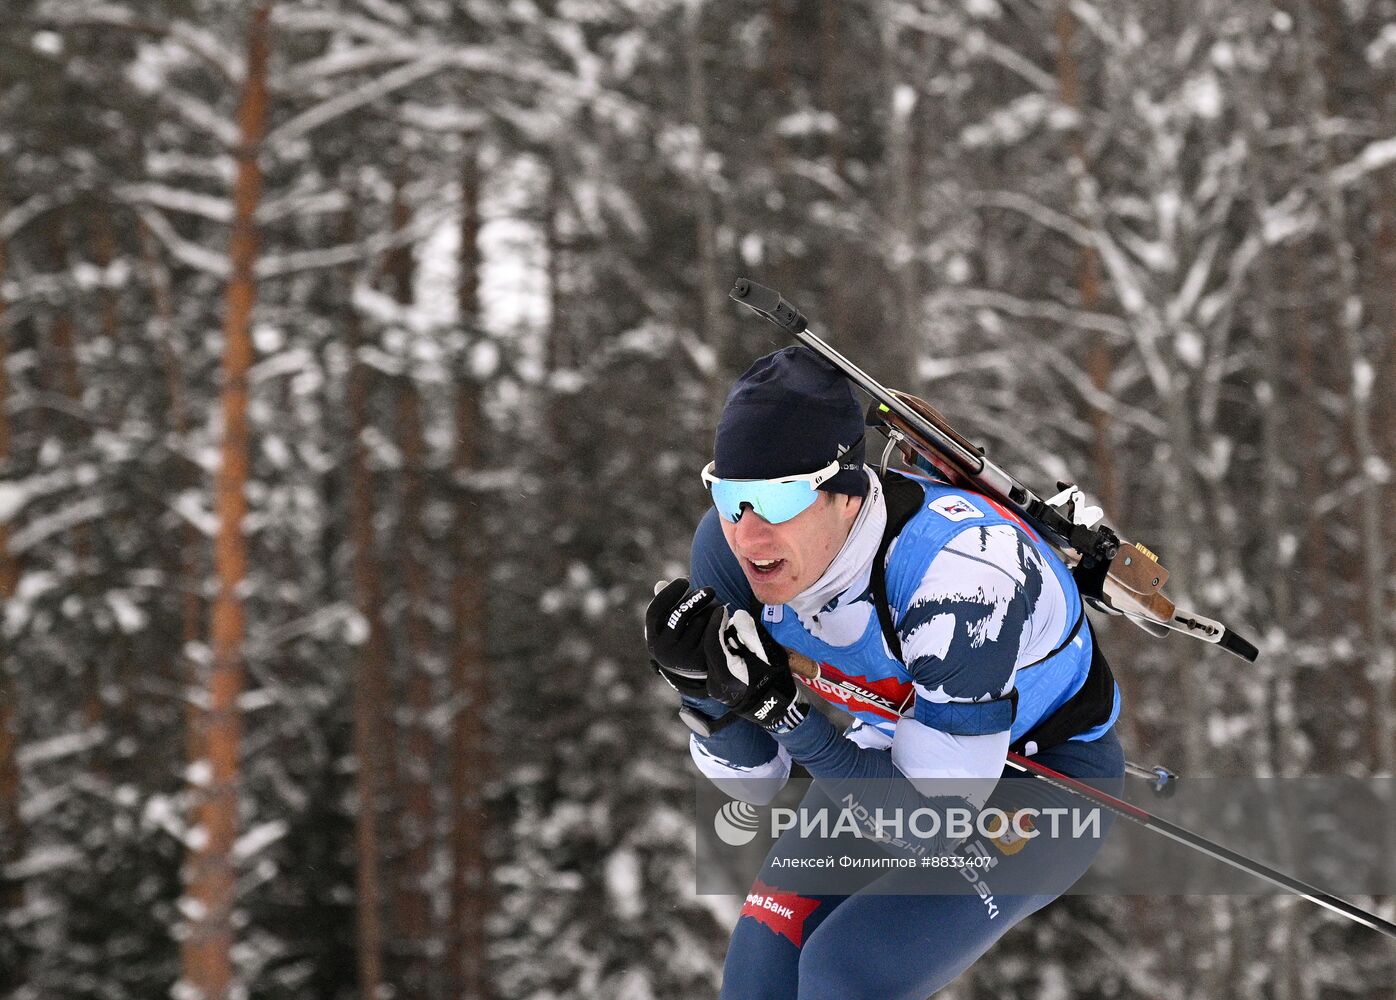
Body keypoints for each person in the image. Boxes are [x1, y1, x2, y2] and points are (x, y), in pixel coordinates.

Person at [644, 346, 1126, 999]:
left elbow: (932, 826)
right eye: (732, 497)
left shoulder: (960, 580)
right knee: (762, 969)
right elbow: (755, 784)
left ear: (846, 493)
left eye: (781, 498)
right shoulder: (728, 554)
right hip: (900, 749)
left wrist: (787, 717)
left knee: (846, 971)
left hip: (1046, 776)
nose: (749, 535)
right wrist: (705, 694)